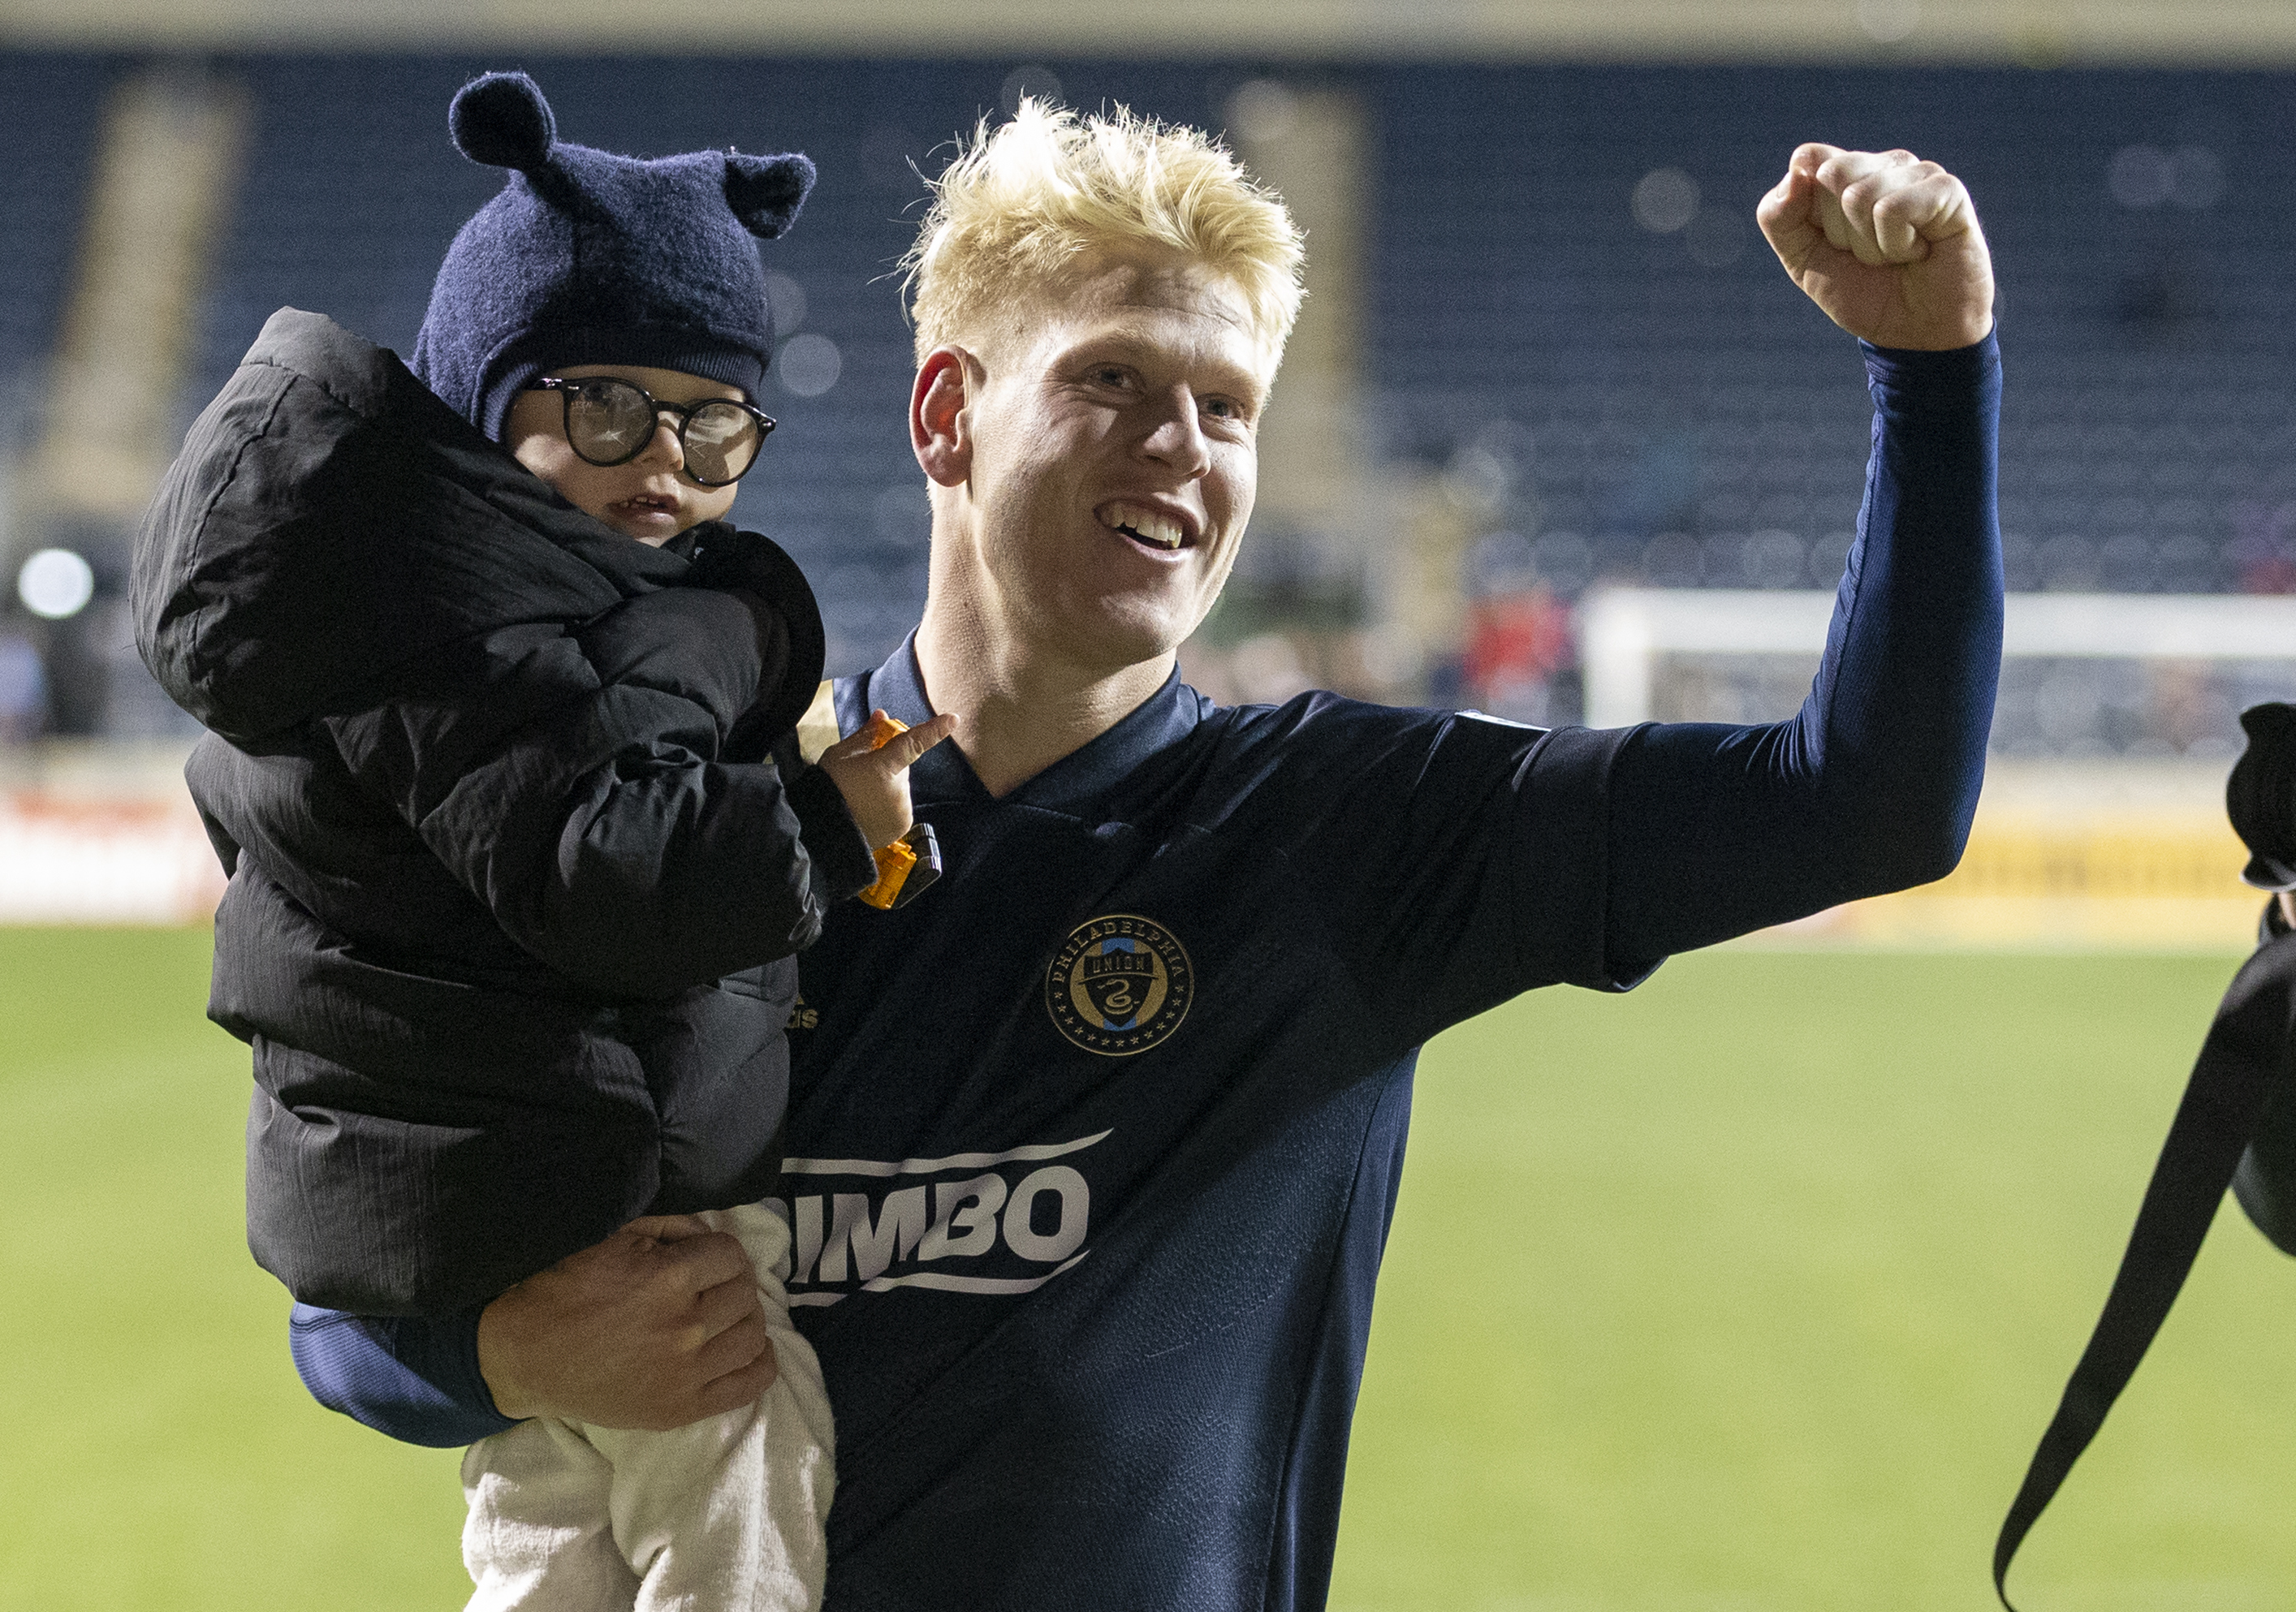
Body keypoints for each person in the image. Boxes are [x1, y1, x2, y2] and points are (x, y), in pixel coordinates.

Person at [295, 101, 2004, 1610]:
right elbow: (358, 1257)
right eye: (1112, 378)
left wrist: (1931, 377)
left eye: (1227, 407)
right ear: (946, 414)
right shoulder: (680, 833)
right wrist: (498, 1346)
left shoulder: (1347, 829)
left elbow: (1863, 802)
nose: (1183, 443)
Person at [132, 72, 949, 1610]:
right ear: (475, 397)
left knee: (543, 1549)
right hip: (612, 1214)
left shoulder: (400, 601)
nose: (667, 461)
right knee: (743, 1501)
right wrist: (828, 830)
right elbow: (608, 870)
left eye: (717, 426)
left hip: (492, 1215)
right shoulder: (466, 623)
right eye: (605, 406)